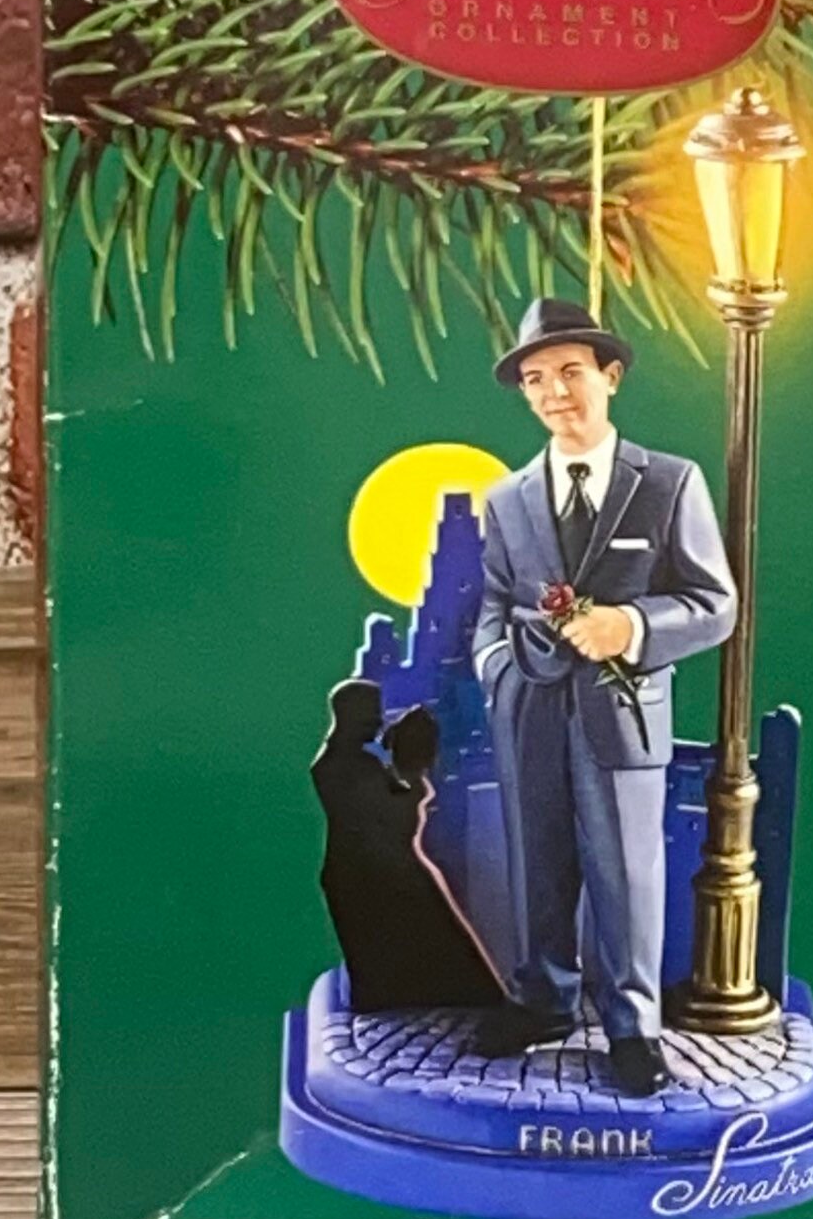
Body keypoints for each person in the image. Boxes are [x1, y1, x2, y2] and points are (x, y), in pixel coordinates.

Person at [472, 296, 735, 1095]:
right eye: (535, 379)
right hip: (529, 709)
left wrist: (632, 625)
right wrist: (497, 667)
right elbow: (493, 602)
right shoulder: (508, 497)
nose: (554, 392)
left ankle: (631, 1027)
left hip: (622, 715)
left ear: (610, 377)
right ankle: (543, 1001)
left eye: (571, 372)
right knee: (537, 861)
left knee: (625, 871)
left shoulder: (668, 482)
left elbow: (715, 603)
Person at [307, 683, 502, 1014]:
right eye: (370, 713)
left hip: (373, 870)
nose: (376, 721)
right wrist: (411, 775)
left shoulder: (351, 763)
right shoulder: (346, 767)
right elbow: (392, 817)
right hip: (371, 873)